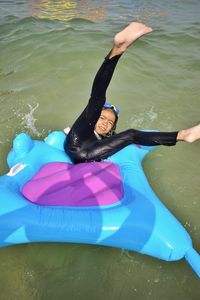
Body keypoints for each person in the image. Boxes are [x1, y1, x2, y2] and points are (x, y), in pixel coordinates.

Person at [64, 22, 200, 164]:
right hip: (76, 141)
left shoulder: (109, 142)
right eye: (103, 118)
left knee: (131, 134)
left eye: (110, 122)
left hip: (92, 151)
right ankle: (117, 50)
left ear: (112, 129)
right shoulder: (86, 125)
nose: (105, 123)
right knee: (96, 99)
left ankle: (185, 135)